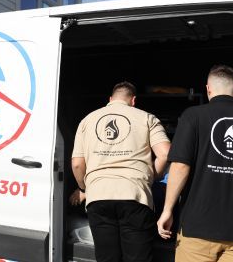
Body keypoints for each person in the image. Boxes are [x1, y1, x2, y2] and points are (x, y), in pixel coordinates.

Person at [157, 65, 233, 262]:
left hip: (198, 230)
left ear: (208, 89)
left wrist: (167, 211)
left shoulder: (193, 116)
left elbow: (180, 166)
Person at [70, 81, 171, 262]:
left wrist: (85, 188)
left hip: (98, 197)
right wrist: (150, 177)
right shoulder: (147, 118)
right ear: (133, 101)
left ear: (110, 99)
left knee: (107, 257)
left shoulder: (87, 120)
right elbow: (165, 154)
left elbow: (77, 164)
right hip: (135, 196)